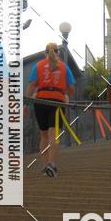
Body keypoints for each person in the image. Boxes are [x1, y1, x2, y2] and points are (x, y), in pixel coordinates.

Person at [26, 43, 75, 177]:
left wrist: (25, 104)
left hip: (40, 101)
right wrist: (67, 96)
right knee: (54, 135)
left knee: (44, 135)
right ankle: (52, 164)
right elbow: (71, 88)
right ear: (57, 53)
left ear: (45, 53)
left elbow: (31, 85)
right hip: (57, 102)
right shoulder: (64, 67)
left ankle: (45, 165)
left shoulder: (38, 66)